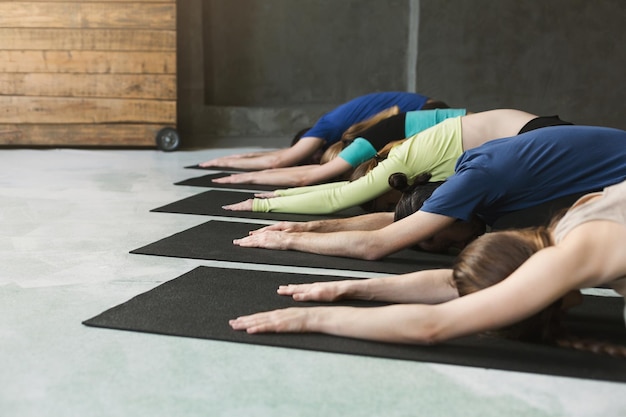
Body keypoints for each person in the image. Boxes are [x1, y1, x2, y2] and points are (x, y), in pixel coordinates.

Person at [229, 180, 626, 356]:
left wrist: (312, 320)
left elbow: (433, 325)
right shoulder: (568, 228)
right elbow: (455, 285)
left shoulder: (569, 252)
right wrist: (352, 288)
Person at [231, 125, 626, 260]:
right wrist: (308, 228)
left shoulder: (473, 182)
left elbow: (378, 244)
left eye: (433, 241)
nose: (445, 249)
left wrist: (287, 242)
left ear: (446, 212)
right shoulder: (463, 182)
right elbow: (397, 221)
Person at [222, 110, 571, 214]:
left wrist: (260, 206)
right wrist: (277, 196)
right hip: (530, 133)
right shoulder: (401, 161)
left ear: (382, 185)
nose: (395, 207)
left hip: (535, 135)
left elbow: (338, 197)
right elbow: (346, 188)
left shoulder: (396, 165)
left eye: (380, 204)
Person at [211, 108, 469, 187]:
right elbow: (282, 159)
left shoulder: (364, 145)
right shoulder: (371, 137)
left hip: (454, 123)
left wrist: (247, 176)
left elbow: (302, 174)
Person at [198, 92, 446, 170]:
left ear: (313, 140)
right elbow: (284, 152)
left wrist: (225, 161)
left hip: (427, 113)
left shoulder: (325, 126)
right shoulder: (339, 128)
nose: (317, 160)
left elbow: (280, 159)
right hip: (428, 110)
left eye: (312, 156)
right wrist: (242, 156)